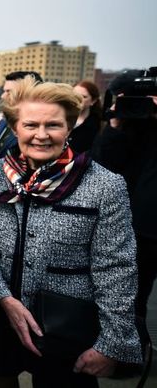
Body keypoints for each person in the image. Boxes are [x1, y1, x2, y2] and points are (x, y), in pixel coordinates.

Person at [0, 76, 142, 388]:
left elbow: (116, 268)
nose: (41, 135)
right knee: (0, 376)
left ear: (70, 127)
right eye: (30, 125)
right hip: (1, 314)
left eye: (54, 125)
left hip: (68, 325)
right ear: (14, 127)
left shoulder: (105, 185)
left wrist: (111, 342)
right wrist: (3, 297)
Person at [92, 69, 157, 323]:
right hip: (129, 227)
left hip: (149, 227)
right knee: (128, 299)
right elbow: (101, 168)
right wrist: (115, 124)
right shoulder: (123, 128)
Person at [0, 71, 43, 160]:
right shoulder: (4, 121)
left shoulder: (41, 128)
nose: (3, 96)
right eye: (4, 91)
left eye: (9, 92)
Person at [69, 80, 101, 152]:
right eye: (75, 95)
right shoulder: (61, 117)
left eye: (84, 96)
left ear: (93, 101)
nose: (78, 99)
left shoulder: (98, 124)